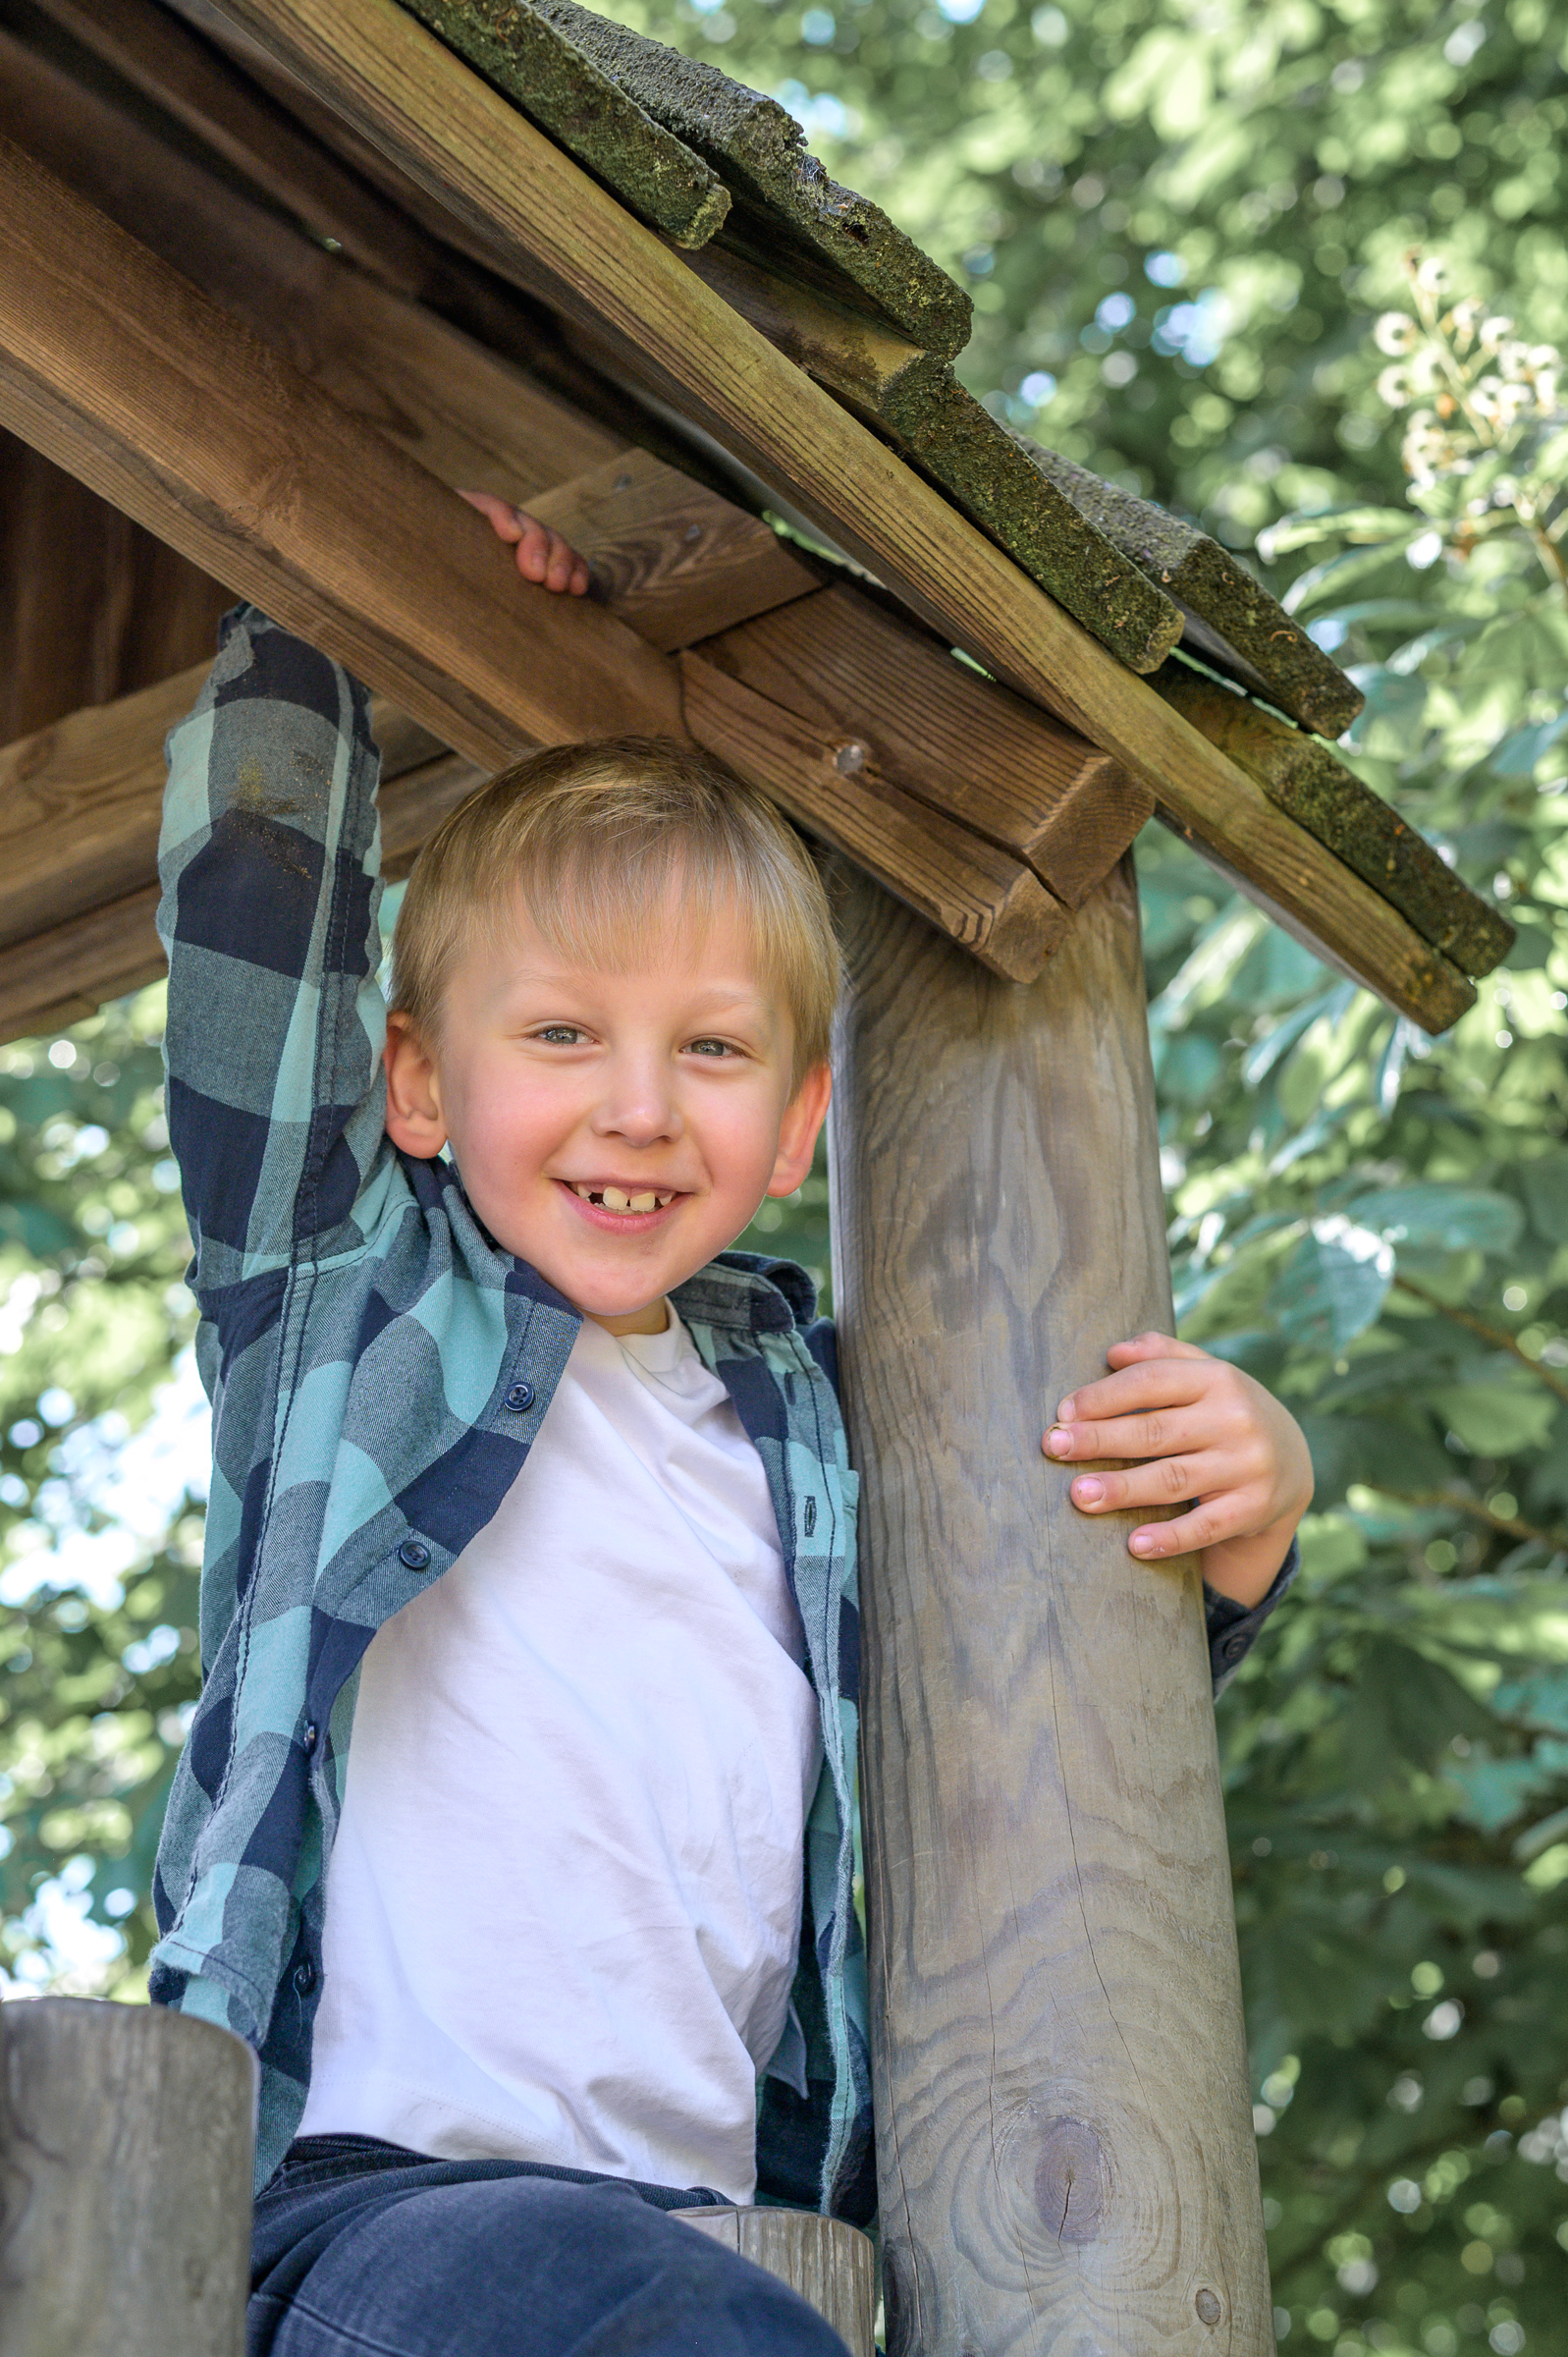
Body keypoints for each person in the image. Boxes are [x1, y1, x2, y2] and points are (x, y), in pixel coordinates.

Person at [147, 497, 1313, 2357]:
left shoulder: (835, 1424)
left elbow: (1031, 1686)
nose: (638, 1109)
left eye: (708, 1050)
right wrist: (345, 582)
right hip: (375, 2211)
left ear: (795, 1128)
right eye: (560, 1039)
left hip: (739, 2235)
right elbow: (256, 911)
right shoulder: (346, 1297)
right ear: (420, 1083)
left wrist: (1244, 1510)